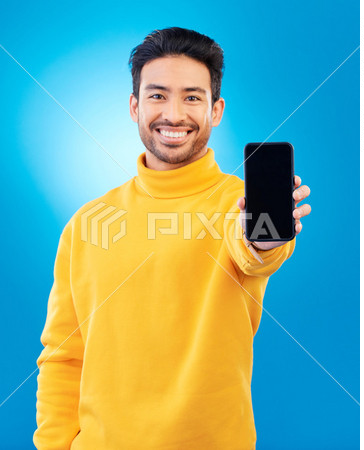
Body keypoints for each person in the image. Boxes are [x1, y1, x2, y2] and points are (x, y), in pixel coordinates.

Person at [33, 27, 311, 450]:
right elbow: (63, 355)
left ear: (216, 110)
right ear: (134, 106)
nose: (174, 114)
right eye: (158, 95)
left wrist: (264, 240)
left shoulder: (239, 205)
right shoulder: (88, 222)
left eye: (192, 97)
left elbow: (254, 254)